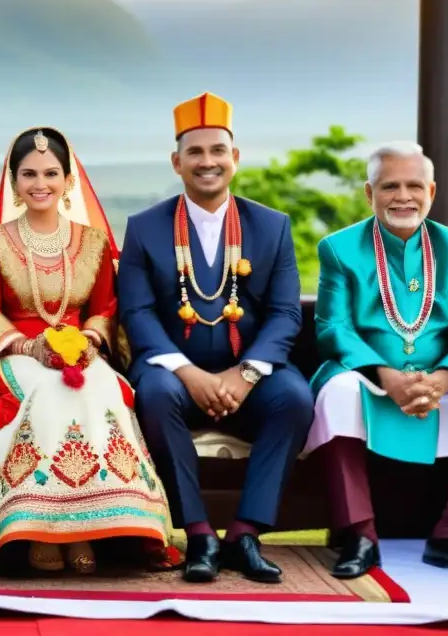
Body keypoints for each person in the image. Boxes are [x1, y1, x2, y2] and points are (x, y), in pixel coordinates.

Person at [303, 141, 448, 581]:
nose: (403, 196)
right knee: (336, 396)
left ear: (432, 191)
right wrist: (387, 377)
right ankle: (360, 535)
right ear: (369, 193)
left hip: (444, 377)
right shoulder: (340, 249)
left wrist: (441, 379)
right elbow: (333, 328)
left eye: (413, 185)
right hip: (365, 374)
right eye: (390, 186)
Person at [118, 92, 313, 584]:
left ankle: (245, 533)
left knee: (294, 398)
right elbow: (137, 313)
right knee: (155, 396)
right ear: (177, 161)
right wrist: (188, 372)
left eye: (217, 151)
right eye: (196, 152)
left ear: (235, 157)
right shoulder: (145, 228)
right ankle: (200, 534)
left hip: (248, 372)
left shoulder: (271, 226)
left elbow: (287, 313)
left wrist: (246, 374)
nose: (208, 162)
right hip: (174, 373)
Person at [0, 127, 171, 574]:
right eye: (29, 174)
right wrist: (30, 345)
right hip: (14, 353)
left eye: (51, 173)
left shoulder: (91, 241)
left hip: (81, 353)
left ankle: (88, 529)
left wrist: (91, 342)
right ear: (14, 182)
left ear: (68, 180)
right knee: (48, 390)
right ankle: (39, 529)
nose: (41, 183)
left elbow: (106, 309)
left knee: (101, 389)